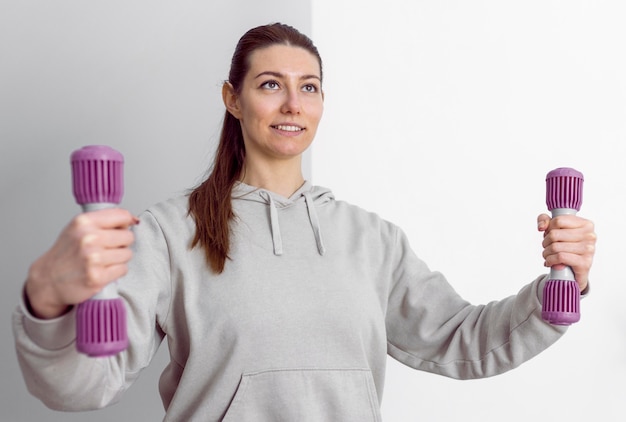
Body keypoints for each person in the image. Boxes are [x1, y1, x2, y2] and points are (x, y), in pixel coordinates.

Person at [13, 23, 596, 421]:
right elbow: (82, 386)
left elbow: (461, 342)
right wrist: (46, 297)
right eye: (271, 85)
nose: (294, 104)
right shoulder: (168, 233)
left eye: (309, 87)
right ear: (233, 99)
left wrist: (559, 286)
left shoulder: (372, 241)